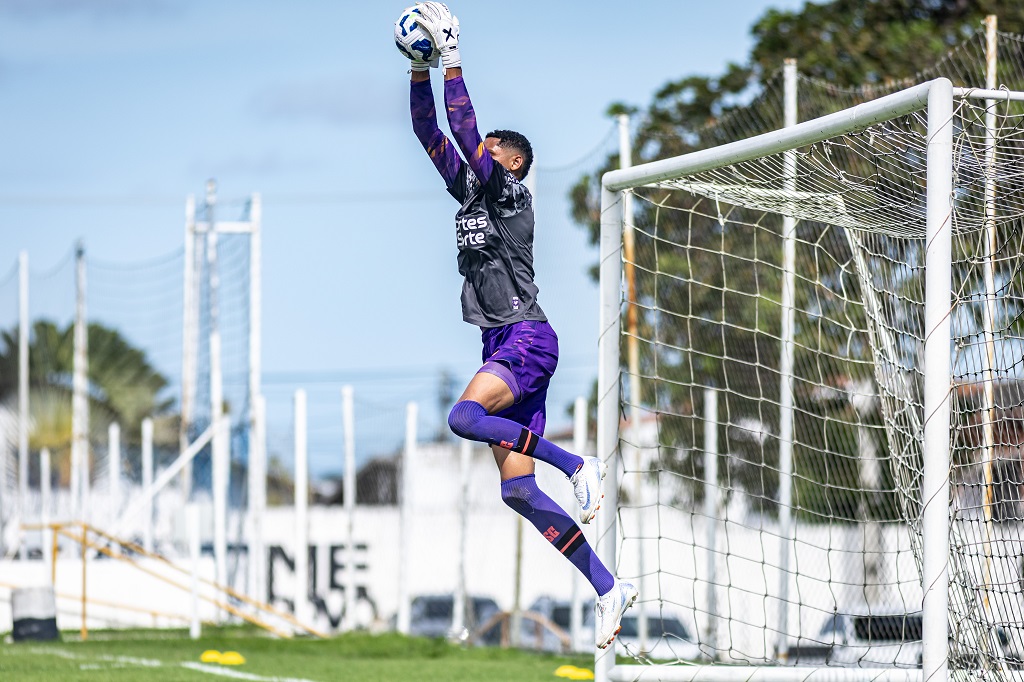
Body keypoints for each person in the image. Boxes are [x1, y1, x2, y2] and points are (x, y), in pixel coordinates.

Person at [402, 2, 637, 650]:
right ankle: (608, 588)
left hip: (526, 338)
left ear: (509, 165)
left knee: (463, 417)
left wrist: (452, 56)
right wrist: (418, 70)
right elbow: (429, 131)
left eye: (487, 150)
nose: (475, 152)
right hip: (502, 342)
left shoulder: (509, 195)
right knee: (519, 493)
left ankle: (576, 464)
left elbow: (460, 124)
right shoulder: (471, 191)